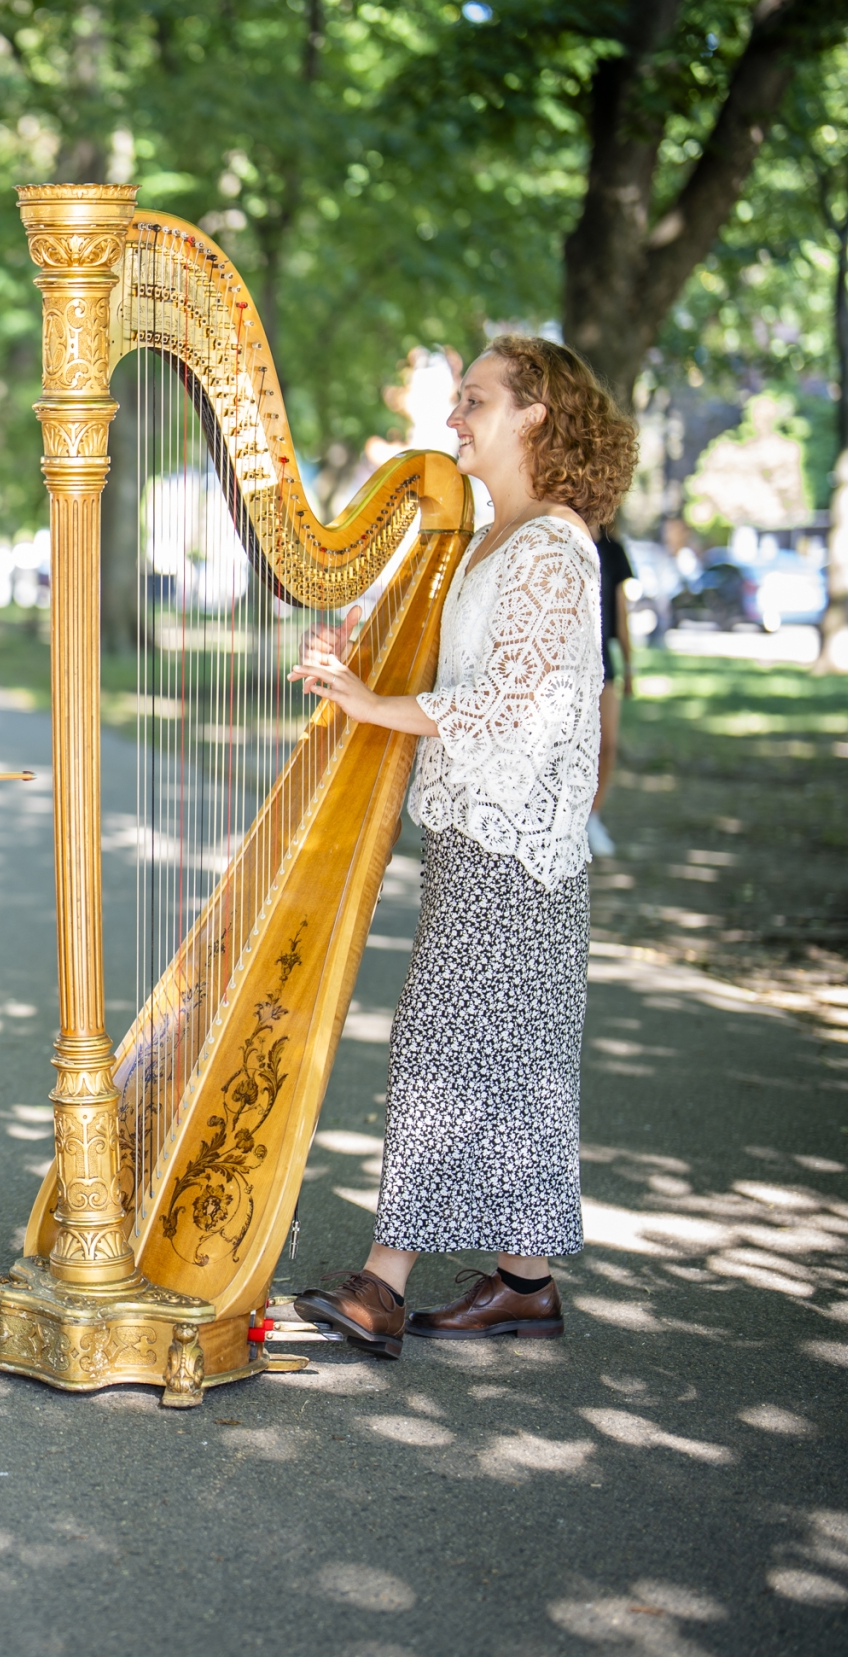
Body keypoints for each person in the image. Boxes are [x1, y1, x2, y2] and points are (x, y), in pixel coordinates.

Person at [284, 335, 636, 1357]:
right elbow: (461, 665)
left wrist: (375, 705)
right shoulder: (493, 538)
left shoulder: (553, 547)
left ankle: (381, 1287)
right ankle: (524, 1284)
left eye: (474, 400)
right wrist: (352, 661)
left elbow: (522, 706)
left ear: (534, 415)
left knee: (443, 1051)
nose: (453, 420)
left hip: (516, 847)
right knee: (507, 1062)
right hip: (481, 835)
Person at [589, 518, 636, 856]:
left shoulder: (613, 550)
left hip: (604, 661)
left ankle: (594, 815)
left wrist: (629, 665)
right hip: (566, 661)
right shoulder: (560, 535)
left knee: (608, 745)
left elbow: (621, 613)